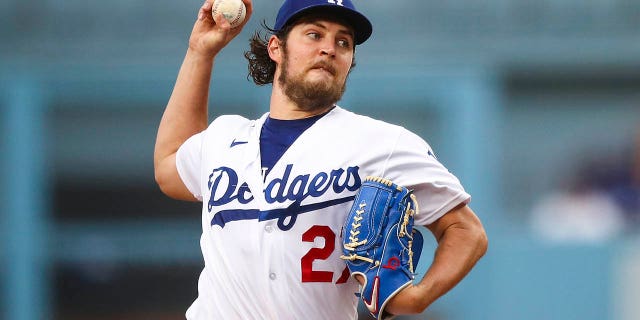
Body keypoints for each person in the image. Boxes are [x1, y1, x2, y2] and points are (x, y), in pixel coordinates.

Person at [153, 0, 488, 318]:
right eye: (314, 34)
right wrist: (200, 52)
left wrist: (418, 298)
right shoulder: (224, 138)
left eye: (343, 42)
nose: (329, 48)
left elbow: (465, 230)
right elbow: (170, 166)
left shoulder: (382, 144)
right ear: (276, 48)